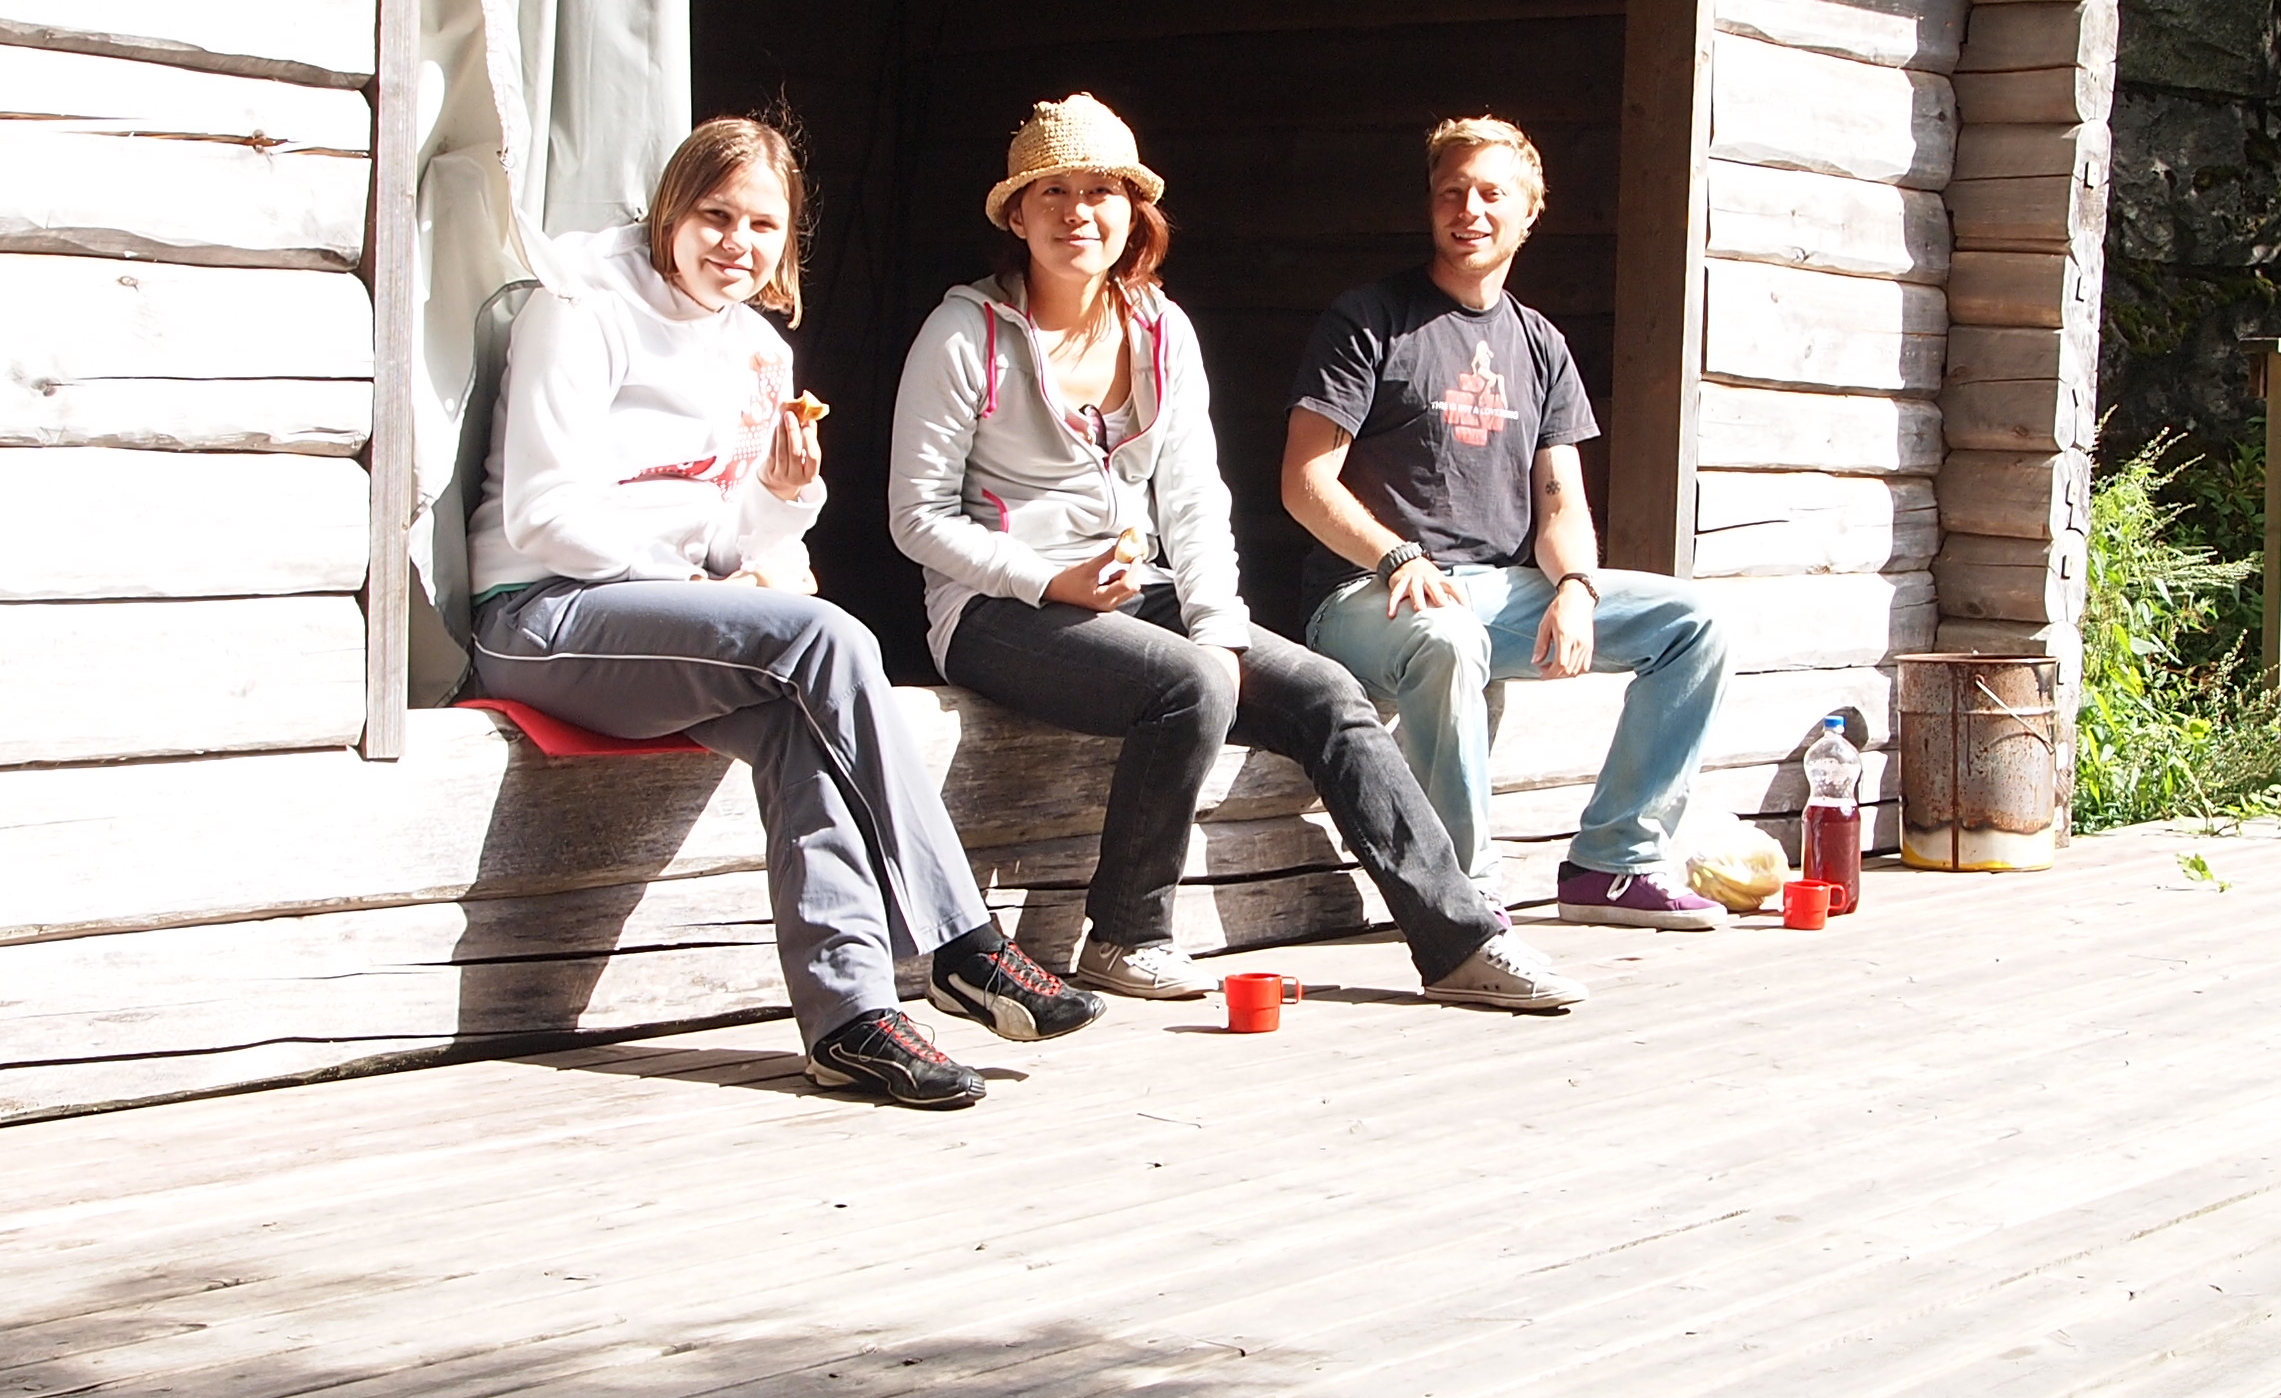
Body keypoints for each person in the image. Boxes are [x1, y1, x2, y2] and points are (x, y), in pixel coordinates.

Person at [889, 96, 1581, 1013]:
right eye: (1051, 192)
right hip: (993, 608)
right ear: (1016, 215)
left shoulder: (1159, 330)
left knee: (1325, 693)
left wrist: (1217, 628)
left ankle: (1462, 939)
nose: (1077, 212)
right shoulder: (963, 333)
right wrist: (1050, 578)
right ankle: (1127, 935)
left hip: (1133, 590)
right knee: (1189, 685)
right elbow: (916, 518)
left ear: (1133, 211)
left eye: (1100, 191)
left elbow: (1195, 500)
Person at [467, 113, 1098, 1108]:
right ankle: (963, 941)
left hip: (664, 626)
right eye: (716, 216)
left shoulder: (758, 349)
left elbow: (737, 545)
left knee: (799, 722)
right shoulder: (579, 307)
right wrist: (695, 589)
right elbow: (543, 517)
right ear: (672, 212)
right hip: (544, 616)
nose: (738, 243)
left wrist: (781, 498)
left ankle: (849, 1020)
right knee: (829, 637)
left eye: (763, 226)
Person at [1284, 115, 1732, 926]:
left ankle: (1614, 863)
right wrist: (1395, 556)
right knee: (1449, 640)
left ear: (1530, 211)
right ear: (1430, 203)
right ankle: (1462, 897)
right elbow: (1304, 482)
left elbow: (1561, 503)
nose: (1470, 210)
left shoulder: (1541, 345)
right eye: (1452, 192)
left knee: (1692, 623)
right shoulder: (1371, 319)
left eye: (1493, 194)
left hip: (1492, 589)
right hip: (1364, 595)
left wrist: (1577, 587)